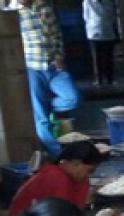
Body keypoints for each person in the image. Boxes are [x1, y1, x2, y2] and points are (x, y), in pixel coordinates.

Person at [6, 142, 117, 216]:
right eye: (89, 170)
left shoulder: (77, 178)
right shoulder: (57, 177)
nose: (89, 175)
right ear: (75, 162)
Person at [19, 0, 80, 157]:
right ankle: (57, 155)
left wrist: (59, 56)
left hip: (53, 67)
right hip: (32, 68)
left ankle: (46, 109)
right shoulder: (10, 12)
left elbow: (56, 35)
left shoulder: (45, 7)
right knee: (42, 120)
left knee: (72, 98)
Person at [82, 0, 120, 86]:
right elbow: (85, 17)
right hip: (94, 32)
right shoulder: (87, 1)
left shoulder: (109, 1)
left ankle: (110, 78)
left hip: (108, 31)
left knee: (109, 56)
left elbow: (113, 16)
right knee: (96, 57)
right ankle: (98, 79)